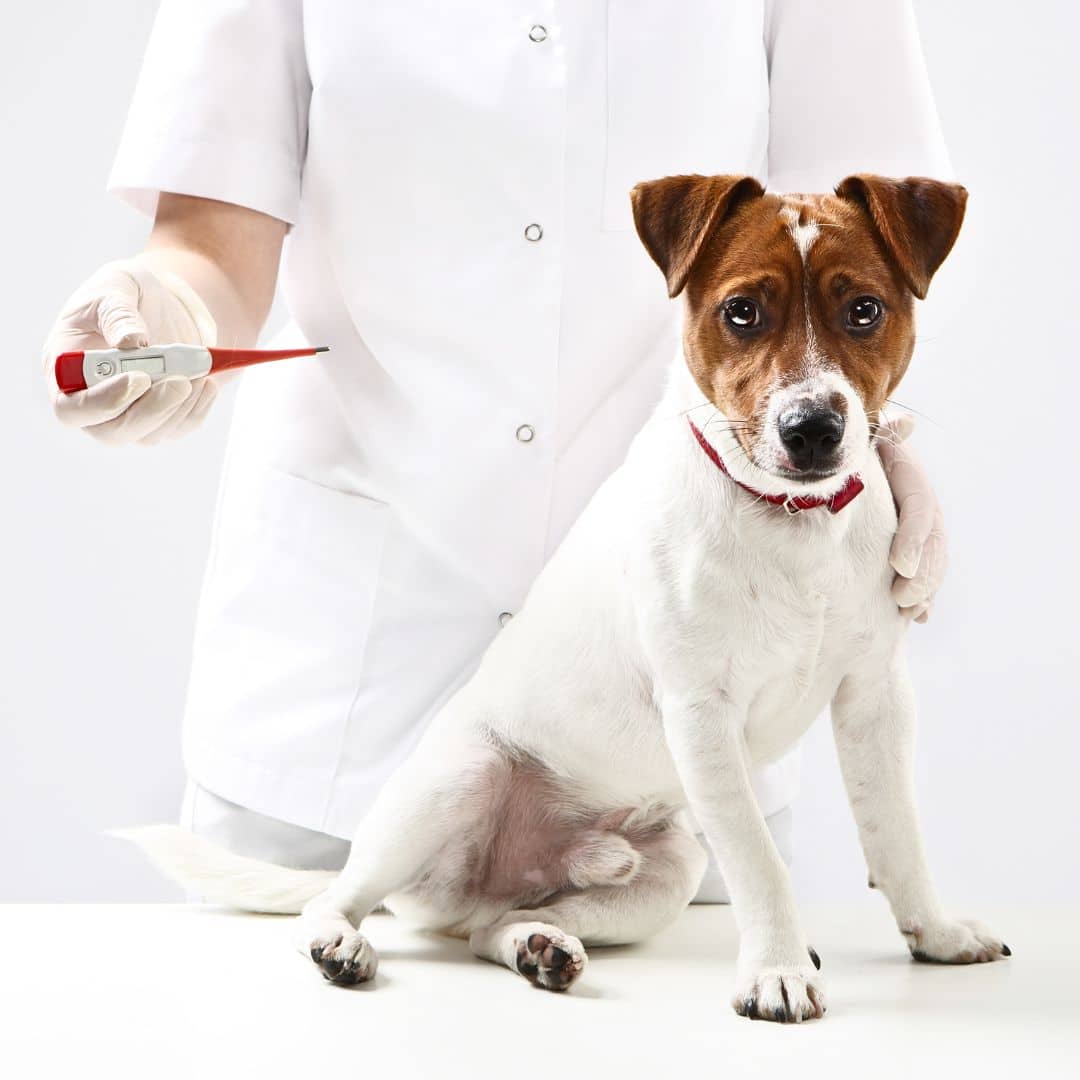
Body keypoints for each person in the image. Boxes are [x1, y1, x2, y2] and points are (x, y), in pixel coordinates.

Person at [42, 0, 948, 901]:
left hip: (682, 703)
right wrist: (168, 311)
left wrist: (878, 435)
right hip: (339, 682)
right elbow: (212, 238)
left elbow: (856, 248)